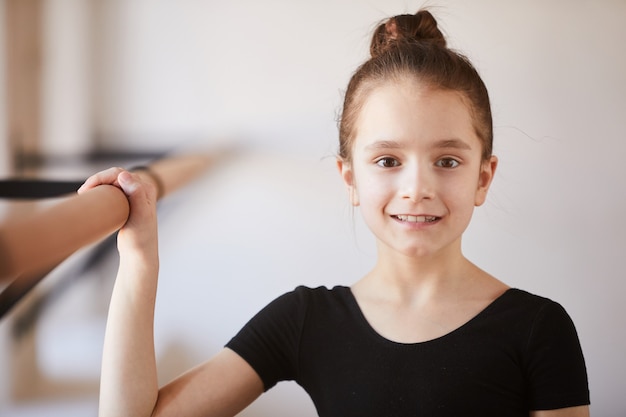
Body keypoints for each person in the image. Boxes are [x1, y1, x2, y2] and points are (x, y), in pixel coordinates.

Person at [80, 9, 590, 417]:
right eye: (388, 161)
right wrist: (140, 262)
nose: (417, 188)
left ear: (483, 177)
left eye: (448, 161)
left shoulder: (538, 329)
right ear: (351, 178)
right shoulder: (305, 321)